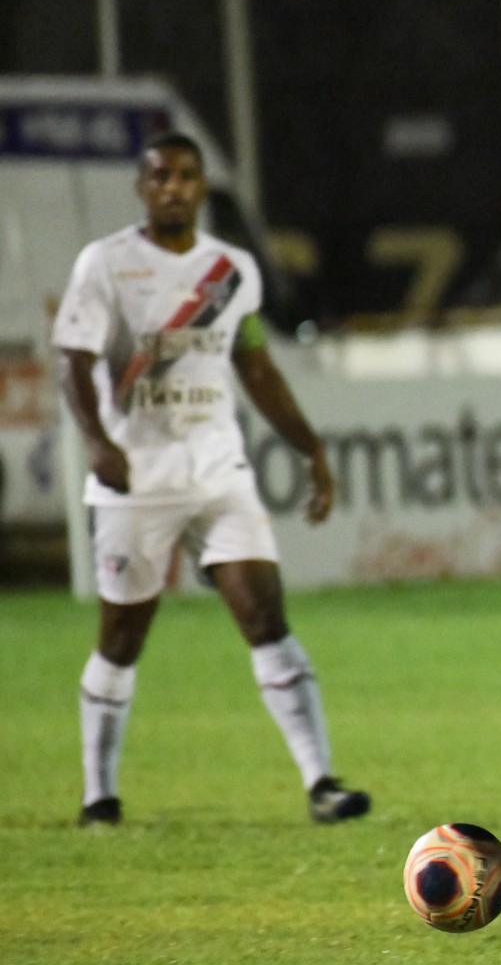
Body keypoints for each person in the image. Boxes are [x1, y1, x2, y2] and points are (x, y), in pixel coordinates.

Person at [53, 131, 369, 827]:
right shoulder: (105, 264)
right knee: (122, 639)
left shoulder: (230, 271)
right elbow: (72, 363)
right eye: (160, 175)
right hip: (136, 479)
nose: (173, 186)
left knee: (263, 613)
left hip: (218, 471)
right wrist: (98, 443)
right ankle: (98, 795)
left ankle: (321, 782)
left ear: (202, 187)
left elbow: (254, 364)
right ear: (143, 186)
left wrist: (311, 449)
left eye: (187, 175)